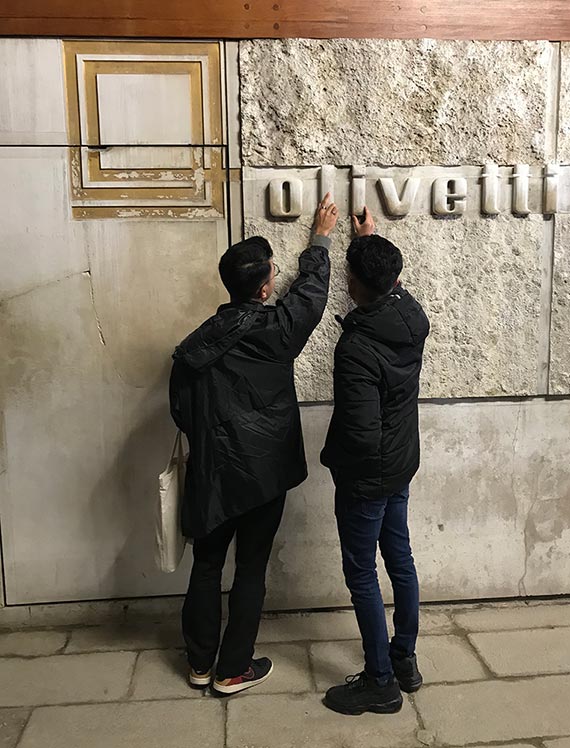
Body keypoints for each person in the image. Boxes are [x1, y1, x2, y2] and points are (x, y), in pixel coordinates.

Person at [169, 194, 338, 696]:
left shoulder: (196, 342)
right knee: (251, 567)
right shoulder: (275, 331)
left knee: (206, 563)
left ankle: (199, 664)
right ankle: (231, 669)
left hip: (212, 474)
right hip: (262, 476)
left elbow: (180, 409)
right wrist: (321, 240)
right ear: (266, 288)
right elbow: (309, 298)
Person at [320, 207, 430, 715]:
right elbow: (388, 279)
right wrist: (369, 241)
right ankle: (404, 659)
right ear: (396, 280)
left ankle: (381, 682)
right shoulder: (411, 316)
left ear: (353, 285)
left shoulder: (357, 346)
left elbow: (361, 434)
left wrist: (339, 463)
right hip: (402, 462)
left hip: (367, 477)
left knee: (362, 573)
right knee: (400, 559)